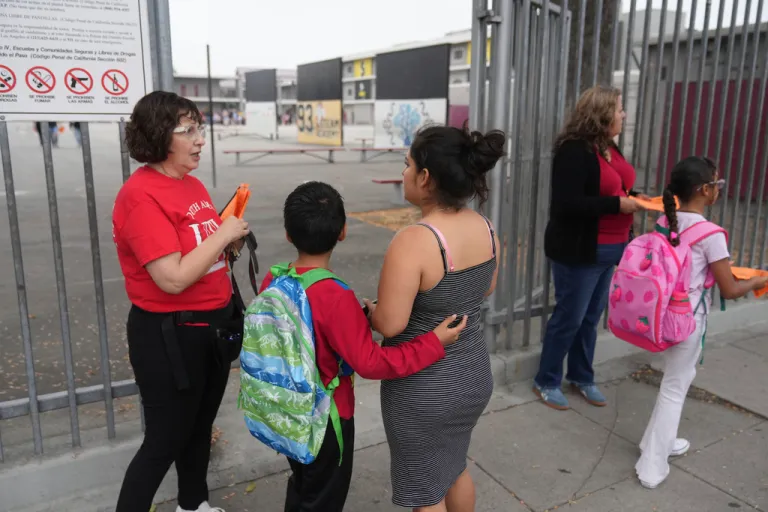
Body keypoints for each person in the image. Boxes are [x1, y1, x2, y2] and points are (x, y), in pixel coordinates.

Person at [256, 181, 468, 512]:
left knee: (302, 482)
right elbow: (371, 363)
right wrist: (432, 343)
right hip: (327, 420)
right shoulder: (335, 296)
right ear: (343, 231)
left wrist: (356, 320)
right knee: (323, 497)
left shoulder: (274, 279)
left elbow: (307, 329)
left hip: (287, 409)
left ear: (288, 234)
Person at [112, 91, 249, 512]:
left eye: (199, 128)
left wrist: (227, 241)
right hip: (169, 335)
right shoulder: (141, 195)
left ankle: (193, 505)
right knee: (165, 439)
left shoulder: (191, 184)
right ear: (158, 136)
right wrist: (222, 235)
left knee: (198, 427)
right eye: (187, 130)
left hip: (211, 327)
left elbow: (201, 254)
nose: (199, 139)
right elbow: (171, 278)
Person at [367, 124, 504, 511]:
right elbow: (485, 289)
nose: (404, 173)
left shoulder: (414, 241)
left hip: (423, 388)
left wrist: (371, 312)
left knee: (426, 493)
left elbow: (391, 324)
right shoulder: (487, 228)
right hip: (473, 375)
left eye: (407, 165)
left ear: (425, 178)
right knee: (454, 467)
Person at [635, 157, 768, 489]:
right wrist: (756, 281)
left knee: (674, 381)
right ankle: (652, 465)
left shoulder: (667, 220)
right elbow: (730, 288)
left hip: (662, 312)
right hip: (687, 320)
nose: (719, 189)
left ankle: (658, 443)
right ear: (704, 190)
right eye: (717, 184)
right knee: (674, 388)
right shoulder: (711, 234)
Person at [534, 85, 648, 410]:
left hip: (611, 249)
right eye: (619, 108)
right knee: (570, 317)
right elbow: (567, 204)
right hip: (580, 251)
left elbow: (616, 186)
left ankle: (581, 376)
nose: (623, 114)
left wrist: (634, 198)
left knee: (591, 317)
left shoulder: (607, 147)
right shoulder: (574, 150)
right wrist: (617, 205)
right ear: (602, 114)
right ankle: (546, 379)